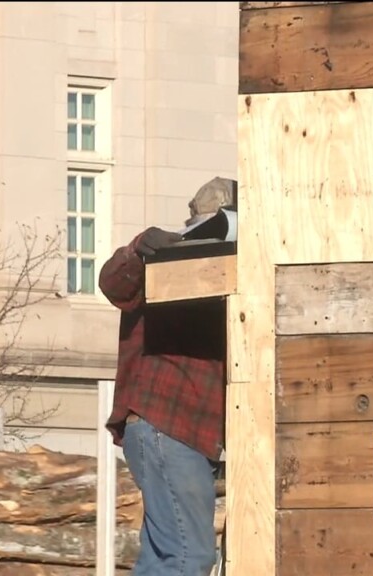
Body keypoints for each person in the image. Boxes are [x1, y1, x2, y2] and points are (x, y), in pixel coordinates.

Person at [97, 177, 235, 576]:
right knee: (189, 557)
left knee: (162, 558)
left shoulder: (232, 272)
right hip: (167, 428)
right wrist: (139, 247)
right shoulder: (167, 261)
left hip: (171, 432)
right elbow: (113, 282)